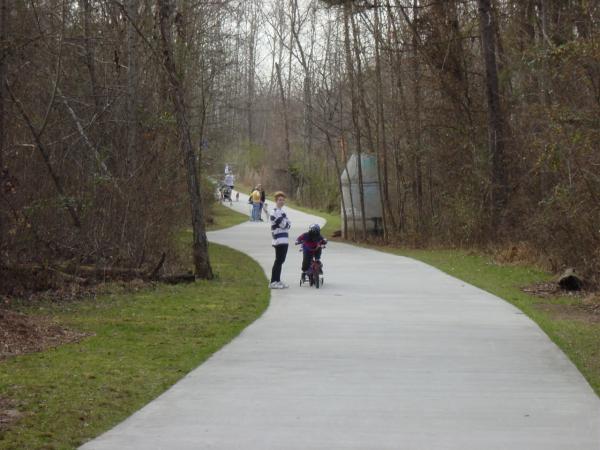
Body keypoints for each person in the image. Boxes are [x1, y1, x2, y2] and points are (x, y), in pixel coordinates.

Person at [269, 192, 291, 289]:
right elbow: (284, 225)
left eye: (283, 200)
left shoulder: (282, 212)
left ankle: (278, 280)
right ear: (276, 201)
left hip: (284, 239)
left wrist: (286, 222)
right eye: (279, 200)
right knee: (278, 261)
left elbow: (289, 224)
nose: (281, 201)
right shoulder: (275, 212)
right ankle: (273, 282)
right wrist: (286, 223)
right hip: (278, 240)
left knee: (281, 261)